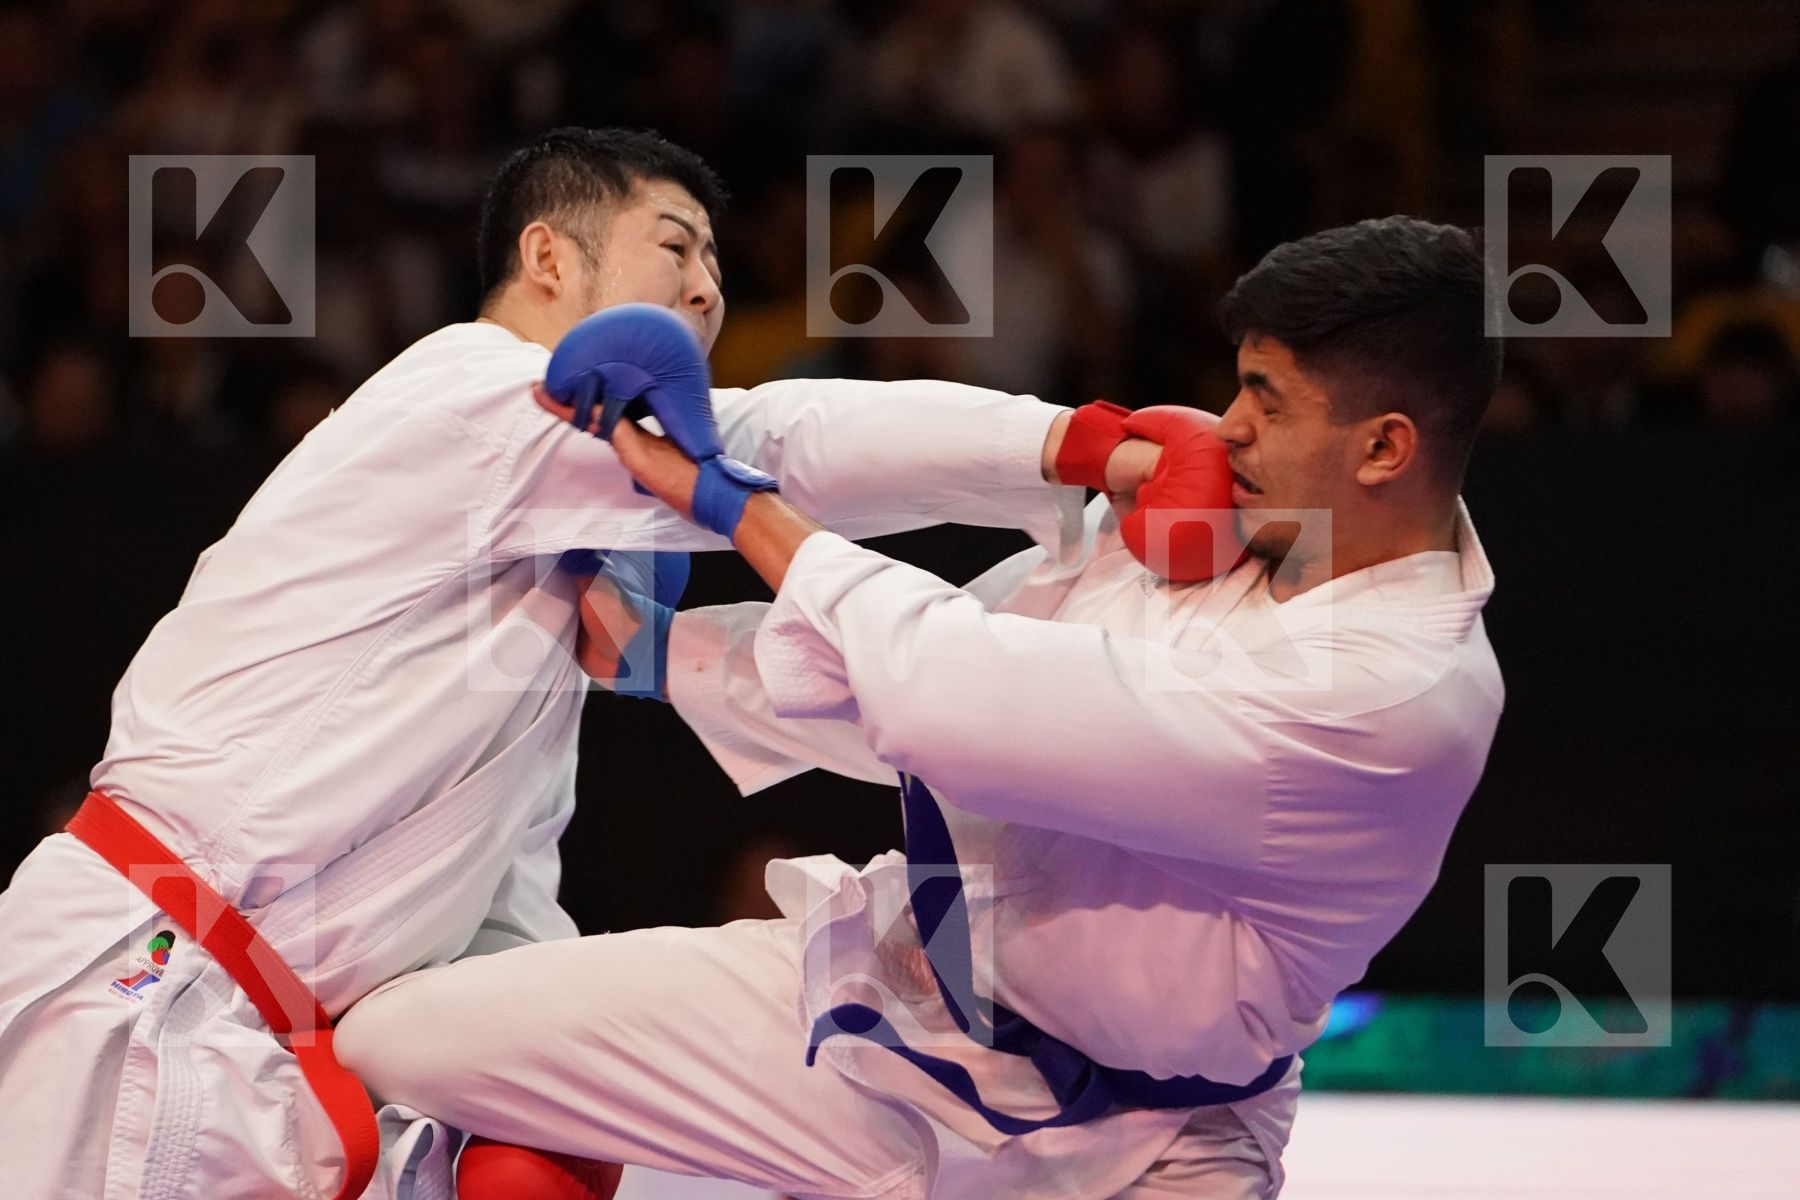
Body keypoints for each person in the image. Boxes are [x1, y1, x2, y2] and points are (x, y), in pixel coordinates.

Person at [0, 126, 1104, 1200]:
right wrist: (1067, 445)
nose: (709, 288)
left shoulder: (542, 588)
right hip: (135, 979)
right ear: (547, 257)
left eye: (717, 263)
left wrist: (540, 1100)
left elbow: (503, 905)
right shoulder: (471, 390)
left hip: (258, 1040)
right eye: (676, 246)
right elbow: (770, 440)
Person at [336, 215, 1507, 1198]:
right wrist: (671, 655)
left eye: (1265, 400)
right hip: (900, 999)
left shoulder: (1392, 702)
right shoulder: (1237, 529)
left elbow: (977, 706)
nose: (1224, 427)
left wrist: (733, 503)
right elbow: (946, 660)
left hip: (1151, 1145)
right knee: (406, 1040)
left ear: (1384, 447)